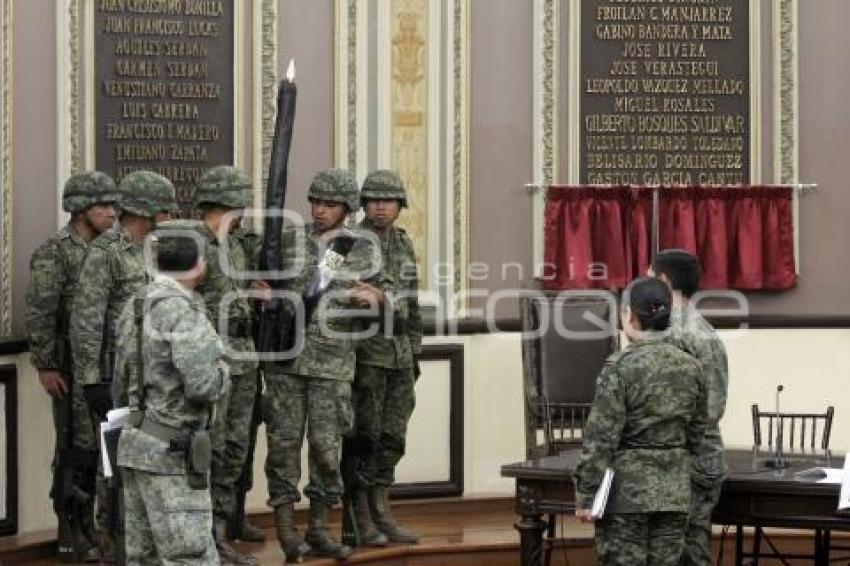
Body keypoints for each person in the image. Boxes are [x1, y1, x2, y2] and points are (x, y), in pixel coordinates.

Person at [263, 168, 384, 561]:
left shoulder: (361, 247)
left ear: (347, 208)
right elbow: (264, 283)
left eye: (329, 204)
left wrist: (379, 300)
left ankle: (319, 528)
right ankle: (285, 532)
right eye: (315, 202)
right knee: (282, 447)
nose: (319, 210)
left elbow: (389, 293)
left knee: (327, 452)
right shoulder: (287, 242)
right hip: (286, 362)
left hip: (332, 365)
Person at [69, 170, 177, 558]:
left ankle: (145, 542)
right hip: (114, 377)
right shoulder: (106, 253)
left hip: (153, 376)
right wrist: (90, 380)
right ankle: (112, 543)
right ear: (146, 211)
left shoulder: (160, 250)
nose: (170, 217)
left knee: (148, 458)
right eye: (165, 209)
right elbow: (87, 317)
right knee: (112, 465)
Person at [574, 277, 707, 566]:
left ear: (631, 316)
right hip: (675, 492)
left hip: (627, 496)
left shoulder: (619, 367)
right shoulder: (692, 367)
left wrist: (586, 493)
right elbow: (698, 435)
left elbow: (601, 438)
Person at [117, 229, 230, 564]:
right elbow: (203, 386)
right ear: (199, 265)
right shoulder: (182, 312)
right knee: (189, 556)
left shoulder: (135, 304)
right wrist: (224, 370)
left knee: (143, 555)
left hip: (135, 442)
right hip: (172, 453)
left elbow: (120, 373)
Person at [25, 171, 119, 562]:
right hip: (70, 368)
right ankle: (71, 530)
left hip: (108, 366)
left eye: (114, 205)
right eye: (102, 206)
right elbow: (41, 312)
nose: (111, 213)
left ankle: (97, 529)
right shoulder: (56, 252)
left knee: (104, 450)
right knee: (74, 449)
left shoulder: (113, 248)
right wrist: (47, 365)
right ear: (80, 208)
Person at [342, 170, 422, 547]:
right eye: (373, 200)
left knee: (392, 437)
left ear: (399, 206)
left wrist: (415, 352)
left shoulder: (403, 244)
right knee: (364, 437)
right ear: (363, 204)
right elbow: (327, 292)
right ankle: (359, 517)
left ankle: (380, 507)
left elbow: (412, 305)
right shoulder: (346, 243)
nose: (380, 206)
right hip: (365, 357)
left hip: (399, 358)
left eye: (388, 200)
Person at [192, 165, 264, 565]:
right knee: (210, 447)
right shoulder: (192, 244)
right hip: (210, 356)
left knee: (235, 447)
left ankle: (220, 530)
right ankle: (204, 534)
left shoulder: (234, 245)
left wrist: (253, 294)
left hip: (244, 354)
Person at [650, 249, 729, 566]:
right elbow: (714, 405)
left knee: (674, 553)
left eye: (648, 276)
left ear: (663, 281)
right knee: (690, 550)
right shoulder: (703, 331)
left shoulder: (674, 333)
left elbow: (708, 407)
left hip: (680, 463)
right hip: (695, 461)